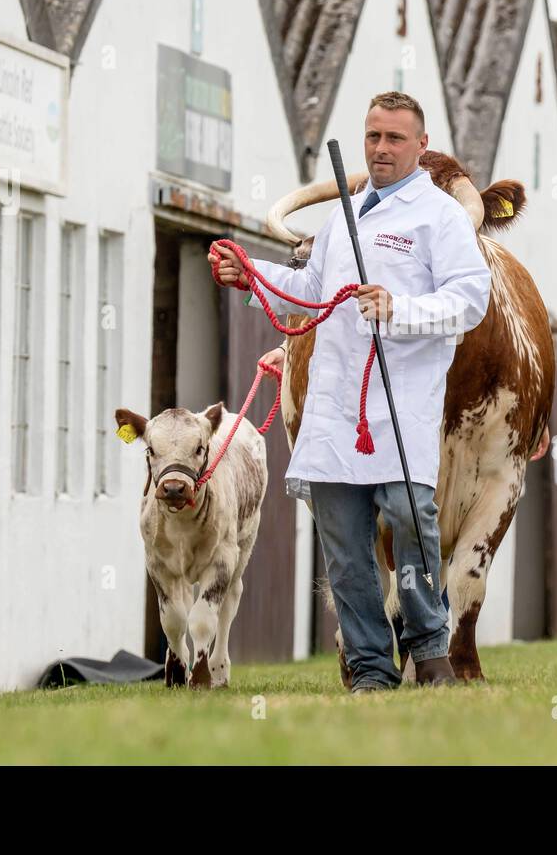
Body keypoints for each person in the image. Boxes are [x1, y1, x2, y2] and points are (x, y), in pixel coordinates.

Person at [209, 91, 491, 692]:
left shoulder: (440, 217)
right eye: (373, 137)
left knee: (412, 527)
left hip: (400, 405)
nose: (382, 149)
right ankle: (368, 668)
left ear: (421, 144)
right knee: (344, 550)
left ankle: (430, 652)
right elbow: (307, 289)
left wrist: (400, 308)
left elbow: (470, 298)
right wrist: (251, 274)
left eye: (394, 138)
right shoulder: (343, 217)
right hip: (336, 410)